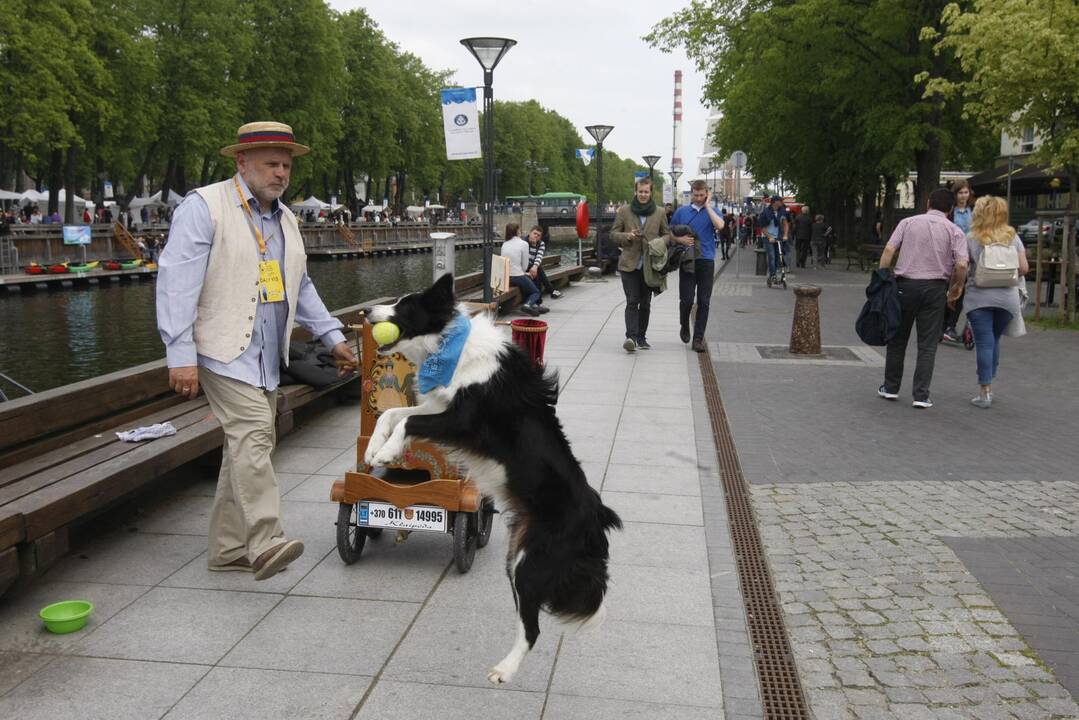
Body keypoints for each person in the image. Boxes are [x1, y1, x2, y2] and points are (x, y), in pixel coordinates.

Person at [155, 121, 357, 581]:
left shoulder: (285, 218)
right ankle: (266, 541)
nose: (281, 172)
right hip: (221, 349)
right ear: (241, 162)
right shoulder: (204, 207)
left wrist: (332, 337)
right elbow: (176, 285)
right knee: (253, 436)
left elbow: (299, 284)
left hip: (266, 356)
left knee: (244, 446)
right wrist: (180, 354)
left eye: (286, 164)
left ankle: (227, 550)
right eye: (271, 163)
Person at [877, 187, 968, 409]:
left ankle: (890, 387)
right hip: (936, 289)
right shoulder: (955, 231)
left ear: (928, 202)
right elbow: (962, 264)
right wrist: (957, 286)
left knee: (898, 339)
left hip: (905, 286)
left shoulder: (907, 223)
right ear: (951, 209)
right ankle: (921, 394)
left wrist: (882, 277)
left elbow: (889, 250)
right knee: (927, 344)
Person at [958, 196, 1028, 409]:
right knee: (994, 339)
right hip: (1008, 299)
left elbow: (962, 268)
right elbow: (1024, 268)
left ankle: (985, 390)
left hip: (979, 297)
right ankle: (990, 378)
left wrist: (956, 287)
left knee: (985, 343)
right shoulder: (1012, 237)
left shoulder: (970, 238)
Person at [610, 177, 669, 351]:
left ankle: (642, 337)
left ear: (651, 193)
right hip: (629, 264)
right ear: (635, 191)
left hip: (650, 266)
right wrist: (627, 236)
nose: (643, 194)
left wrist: (659, 243)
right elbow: (613, 234)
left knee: (645, 303)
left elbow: (667, 234)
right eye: (640, 191)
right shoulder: (624, 211)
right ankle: (631, 337)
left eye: (646, 191)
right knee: (631, 301)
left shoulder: (659, 212)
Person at [671, 180, 725, 352]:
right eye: (696, 195)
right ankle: (684, 324)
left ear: (707, 193)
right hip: (688, 259)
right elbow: (669, 233)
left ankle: (698, 339)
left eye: (702, 195)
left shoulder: (713, 211)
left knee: (704, 301)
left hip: (706, 260)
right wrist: (679, 240)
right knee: (686, 300)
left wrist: (708, 206)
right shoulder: (681, 212)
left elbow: (720, 226)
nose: (699, 198)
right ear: (691, 193)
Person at [942, 179, 974, 343]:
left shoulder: (972, 211)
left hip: (967, 257)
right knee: (948, 290)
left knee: (959, 291)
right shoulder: (951, 212)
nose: (963, 196)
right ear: (955, 195)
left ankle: (950, 325)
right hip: (951, 257)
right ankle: (943, 324)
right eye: (960, 193)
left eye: (966, 192)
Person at [500, 223, 546, 317]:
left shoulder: (504, 244)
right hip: (517, 276)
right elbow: (525, 267)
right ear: (517, 231)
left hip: (506, 277)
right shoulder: (524, 244)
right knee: (535, 291)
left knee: (529, 280)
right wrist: (525, 272)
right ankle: (528, 304)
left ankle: (535, 305)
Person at [525, 225, 562, 301]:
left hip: (534, 268)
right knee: (537, 269)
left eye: (538, 235)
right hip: (524, 267)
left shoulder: (541, 243)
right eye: (534, 233)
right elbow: (525, 258)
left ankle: (538, 299)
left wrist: (534, 267)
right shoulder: (523, 242)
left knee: (537, 270)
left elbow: (539, 257)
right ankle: (550, 291)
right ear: (530, 233)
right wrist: (533, 246)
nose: (536, 236)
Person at [758, 195, 789, 281]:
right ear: (775, 202)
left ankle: (775, 272)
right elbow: (763, 227)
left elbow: (786, 224)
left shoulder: (781, 212)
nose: (782, 203)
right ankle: (772, 275)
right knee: (771, 256)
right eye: (780, 201)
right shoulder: (766, 212)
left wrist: (785, 235)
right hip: (767, 237)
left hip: (778, 237)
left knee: (778, 256)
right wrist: (770, 237)